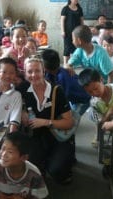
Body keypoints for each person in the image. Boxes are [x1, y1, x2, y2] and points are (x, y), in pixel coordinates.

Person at [17, 56, 75, 185]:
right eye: (29, 71)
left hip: (57, 136)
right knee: (31, 167)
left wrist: (45, 122)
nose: (34, 75)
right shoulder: (22, 90)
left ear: (44, 71)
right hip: (35, 138)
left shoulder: (56, 90)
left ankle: (62, 166)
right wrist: (22, 111)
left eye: (37, 71)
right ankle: (44, 164)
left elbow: (69, 122)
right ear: (25, 74)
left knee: (57, 171)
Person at [0, 132, 49, 199]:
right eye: (3, 149)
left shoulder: (34, 174)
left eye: (10, 152)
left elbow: (41, 197)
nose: (3, 154)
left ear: (24, 157)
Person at [42, 48, 91, 116]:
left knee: (71, 121)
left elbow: (62, 100)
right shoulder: (51, 72)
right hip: (73, 97)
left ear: (45, 68)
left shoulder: (63, 77)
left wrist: (46, 105)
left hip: (83, 99)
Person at [60, 0, 84, 64]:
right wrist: (63, 31)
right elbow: (62, 21)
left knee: (77, 48)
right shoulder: (65, 9)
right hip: (67, 33)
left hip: (77, 33)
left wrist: (82, 30)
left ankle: (73, 64)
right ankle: (65, 64)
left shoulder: (79, 9)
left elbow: (81, 21)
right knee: (67, 48)